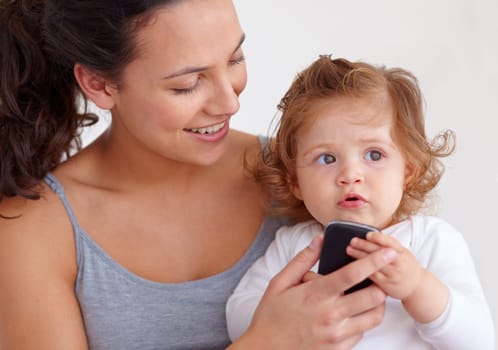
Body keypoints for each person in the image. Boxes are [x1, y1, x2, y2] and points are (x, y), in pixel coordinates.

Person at [0, 1, 401, 349]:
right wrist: (266, 344)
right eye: (188, 84)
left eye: (235, 59)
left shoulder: (301, 175)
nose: (229, 102)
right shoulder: (38, 229)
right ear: (99, 83)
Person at [226, 55, 495, 349]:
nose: (350, 175)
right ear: (295, 182)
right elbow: (236, 319)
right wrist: (290, 308)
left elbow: (480, 341)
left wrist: (417, 286)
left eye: (374, 155)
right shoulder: (294, 245)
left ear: (407, 170)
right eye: (326, 158)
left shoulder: (431, 240)